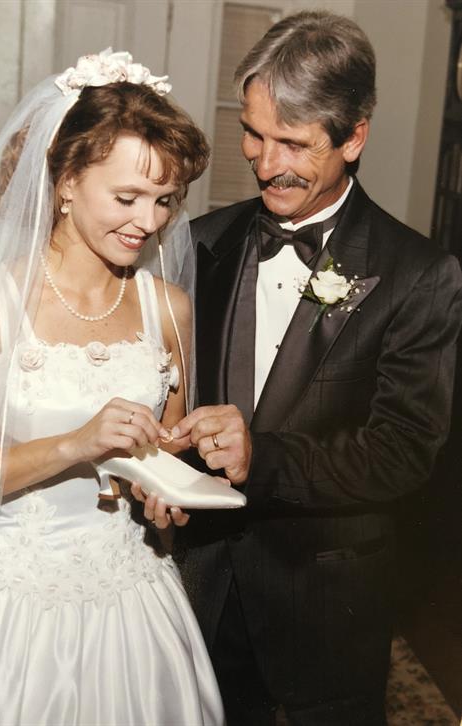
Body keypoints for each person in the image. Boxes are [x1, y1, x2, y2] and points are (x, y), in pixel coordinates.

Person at [169, 11, 462, 726]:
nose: (265, 163)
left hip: (322, 605)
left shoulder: (420, 275)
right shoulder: (197, 243)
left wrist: (260, 457)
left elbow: (401, 452)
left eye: (294, 143)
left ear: (353, 136)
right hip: (196, 588)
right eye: (254, 134)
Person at [0, 49, 225, 726]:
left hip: (134, 606)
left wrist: (171, 496)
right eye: (127, 198)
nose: (150, 222)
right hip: (7, 614)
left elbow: (164, 465)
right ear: (64, 182)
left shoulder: (167, 309)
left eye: (165, 200)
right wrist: (74, 444)